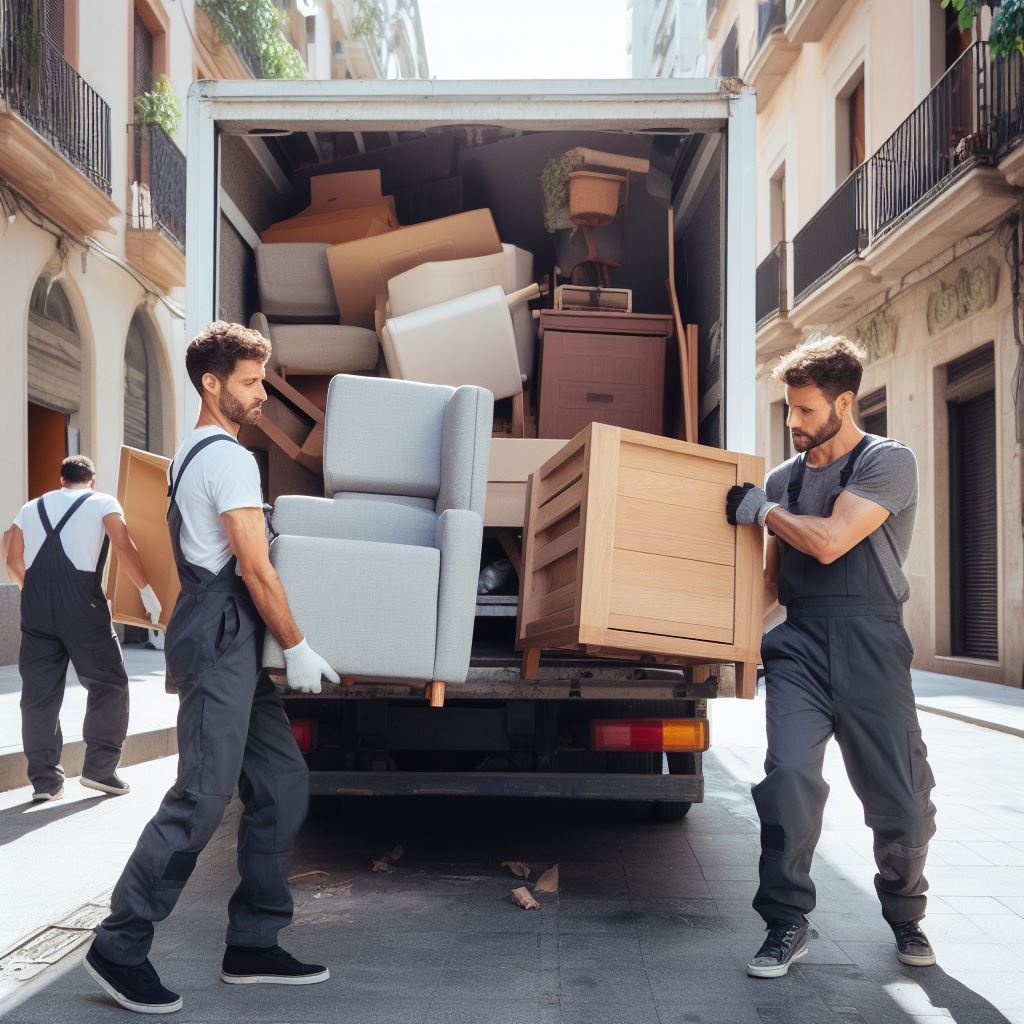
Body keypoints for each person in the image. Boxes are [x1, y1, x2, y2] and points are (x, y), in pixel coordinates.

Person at [84, 321, 340, 1015]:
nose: (261, 395)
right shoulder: (227, 459)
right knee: (201, 796)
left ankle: (253, 944)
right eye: (252, 382)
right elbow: (253, 568)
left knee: (282, 782)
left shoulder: (193, 453)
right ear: (212, 382)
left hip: (227, 634)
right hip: (226, 633)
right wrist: (297, 643)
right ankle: (120, 943)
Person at [725, 335, 937, 979]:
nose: (793, 423)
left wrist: (764, 513)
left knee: (900, 800)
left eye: (806, 411)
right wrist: (718, 646)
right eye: (789, 410)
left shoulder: (887, 464)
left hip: (872, 643)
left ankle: (905, 912)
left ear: (844, 403)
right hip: (799, 647)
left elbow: (830, 541)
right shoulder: (784, 481)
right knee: (787, 779)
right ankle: (786, 921)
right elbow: (769, 583)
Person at [5, 455, 162, 802]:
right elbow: (123, 545)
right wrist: (147, 591)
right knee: (108, 682)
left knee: (38, 696)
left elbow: (11, 556)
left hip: (36, 605)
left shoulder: (30, 508)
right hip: (82, 604)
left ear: (61, 480)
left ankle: (45, 783)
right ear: (92, 479)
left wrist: (31, 590)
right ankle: (100, 770)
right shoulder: (103, 501)